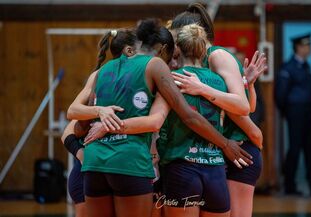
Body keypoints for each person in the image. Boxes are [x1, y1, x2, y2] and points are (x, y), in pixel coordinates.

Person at [67, 19, 252, 217]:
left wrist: (102, 118)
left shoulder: (102, 71)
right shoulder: (155, 65)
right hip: (131, 162)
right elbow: (185, 116)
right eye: (171, 57)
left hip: (94, 163)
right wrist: (224, 143)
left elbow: (79, 128)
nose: (172, 64)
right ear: (163, 49)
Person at [169, 3, 266, 217]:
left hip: (241, 150)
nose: (174, 45)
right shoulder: (193, 63)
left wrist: (202, 88)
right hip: (220, 150)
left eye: (175, 38)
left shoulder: (216, 56)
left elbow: (242, 108)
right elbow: (247, 105)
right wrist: (248, 86)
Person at [61, 28, 136, 217]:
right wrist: (99, 111)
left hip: (115, 166)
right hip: (91, 169)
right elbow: (69, 125)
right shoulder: (99, 75)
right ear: (130, 51)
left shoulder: (138, 78)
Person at [275, 33, 311, 196]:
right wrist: (288, 112)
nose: (310, 48)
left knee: (310, 150)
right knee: (295, 148)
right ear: (299, 47)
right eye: (307, 45)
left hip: (309, 111)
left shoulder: (306, 66)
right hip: (295, 111)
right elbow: (280, 95)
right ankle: (290, 186)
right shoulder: (288, 67)